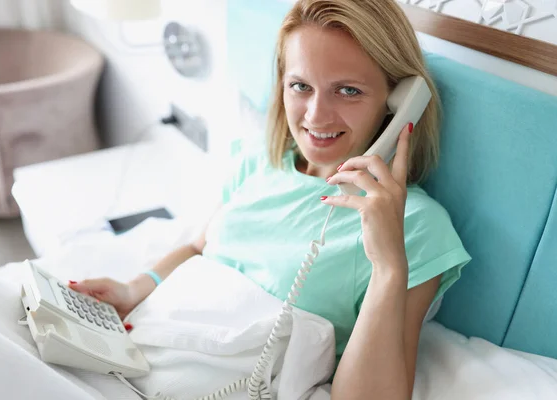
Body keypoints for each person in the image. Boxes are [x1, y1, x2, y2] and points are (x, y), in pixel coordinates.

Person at [70, 0, 471, 398]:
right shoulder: (259, 161)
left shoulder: (416, 225)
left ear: (398, 102)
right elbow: (198, 246)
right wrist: (133, 290)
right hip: (142, 357)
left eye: (348, 91)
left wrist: (388, 264)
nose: (316, 116)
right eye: (301, 86)